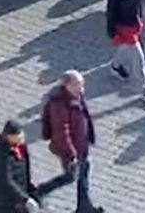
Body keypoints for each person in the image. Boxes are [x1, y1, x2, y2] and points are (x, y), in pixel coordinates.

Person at [39, 71, 99, 213]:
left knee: (82, 171)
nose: (82, 88)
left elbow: (85, 115)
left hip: (81, 144)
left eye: (82, 84)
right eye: (78, 84)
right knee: (72, 176)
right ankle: (40, 190)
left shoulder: (77, 95)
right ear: (67, 85)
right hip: (70, 150)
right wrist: (72, 155)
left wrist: (89, 134)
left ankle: (84, 206)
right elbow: (61, 132)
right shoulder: (59, 105)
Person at [0, 119, 39, 213]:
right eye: (18, 136)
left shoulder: (20, 147)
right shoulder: (2, 154)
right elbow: (6, 180)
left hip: (17, 197)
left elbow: (25, 170)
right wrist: (25, 199)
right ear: (9, 137)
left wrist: (30, 189)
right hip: (4, 202)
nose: (22, 137)